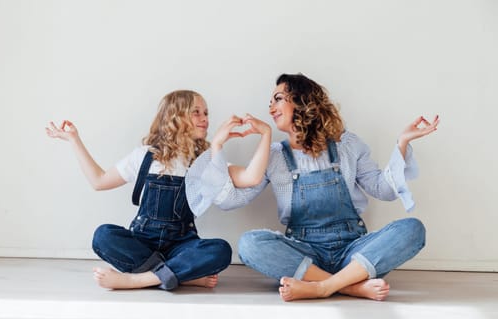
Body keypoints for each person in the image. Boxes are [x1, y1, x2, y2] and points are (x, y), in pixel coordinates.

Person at [186, 73, 440, 301]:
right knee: (249, 244)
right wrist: (217, 148)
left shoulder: (348, 145)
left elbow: (382, 189)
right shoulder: (274, 155)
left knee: (412, 229)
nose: (270, 107)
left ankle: (321, 287)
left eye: (278, 99)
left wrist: (402, 143)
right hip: (305, 253)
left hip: (353, 250)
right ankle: (349, 286)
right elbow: (232, 201)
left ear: (302, 101)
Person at [45, 90, 270, 291]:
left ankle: (138, 280)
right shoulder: (144, 156)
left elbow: (252, 177)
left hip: (181, 245)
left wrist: (266, 134)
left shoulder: (206, 162)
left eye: (206, 113)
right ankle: (178, 276)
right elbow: (99, 181)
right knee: (103, 235)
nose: (205, 119)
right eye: (197, 112)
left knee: (220, 250)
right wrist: (74, 139)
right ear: (176, 117)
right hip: (143, 242)